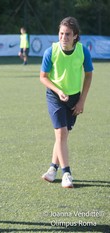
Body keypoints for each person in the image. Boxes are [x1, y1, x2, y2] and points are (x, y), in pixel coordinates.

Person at [40, 17, 93, 188]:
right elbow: (43, 77)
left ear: (75, 36)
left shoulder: (83, 52)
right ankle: (67, 174)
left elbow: (89, 75)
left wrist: (82, 101)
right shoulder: (51, 51)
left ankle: (52, 169)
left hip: (74, 99)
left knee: (62, 136)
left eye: (68, 34)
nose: (64, 37)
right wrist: (58, 91)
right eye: (61, 34)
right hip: (55, 96)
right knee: (61, 134)